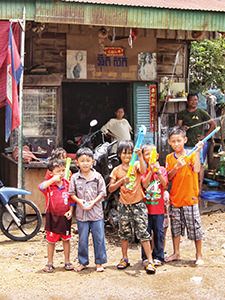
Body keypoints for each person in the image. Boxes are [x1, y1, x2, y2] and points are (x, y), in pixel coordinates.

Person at [108, 140, 156, 274]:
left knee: (143, 233)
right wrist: (121, 181)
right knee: (124, 233)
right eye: (124, 153)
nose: (127, 156)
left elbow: (144, 170)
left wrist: (140, 156)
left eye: (130, 153)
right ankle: (124, 258)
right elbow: (111, 189)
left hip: (138, 204)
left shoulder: (135, 166)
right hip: (123, 205)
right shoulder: (116, 170)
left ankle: (150, 260)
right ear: (119, 154)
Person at [165, 126, 204, 265]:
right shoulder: (169, 158)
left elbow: (197, 169)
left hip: (190, 199)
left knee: (195, 228)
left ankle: (198, 255)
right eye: (173, 141)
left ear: (185, 140)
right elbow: (168, 177)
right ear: (169, 142)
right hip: (175, 199)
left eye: (179, 141)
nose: (176, 144)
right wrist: (176, 167)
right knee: (175, 229)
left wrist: (198, 152)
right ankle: (176, 253)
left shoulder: (192, 154)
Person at [68, 147, 107, 272]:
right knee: (82, 239)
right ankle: (83, 262)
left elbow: (102, 192)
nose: (85, 163)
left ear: (93, 162)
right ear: (77, 163)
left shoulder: (97, 176)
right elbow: (72, 193)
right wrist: (80, 202)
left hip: (96, 214)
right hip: (81, 214)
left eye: (88, 160)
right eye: (82, 160)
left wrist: (92, 202)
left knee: (99, 238)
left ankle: (99, 262)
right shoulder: (74, 177)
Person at [39, 158, 74, 272]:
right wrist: (52, 180)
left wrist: (71, 211)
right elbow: (41, 187)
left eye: (63, 170)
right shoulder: (49, 186)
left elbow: (72, 200)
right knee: (51, 240)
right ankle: (49, 262)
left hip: (65, 217)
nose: (61, 173)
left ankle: (67, 261)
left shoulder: (68, 184)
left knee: (66, 239)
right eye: (58, 171)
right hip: (52, 216)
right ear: (50, 172)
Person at [177, 92, 216, 193]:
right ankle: (187, 187)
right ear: (187, 101)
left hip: (198, 145)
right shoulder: (182, 113)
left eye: (196, 100)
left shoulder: (201, 113)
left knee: (200, 166)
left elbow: (213, 124)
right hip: (185, 145)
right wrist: (183, 128)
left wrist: (205, 137)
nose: (194, 102)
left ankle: (199, 187)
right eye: (192, 100)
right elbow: (178, 127)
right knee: (185, 165)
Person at [141, 144, 168, 266]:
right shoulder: (143, 171)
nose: (150, 156)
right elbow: (145, 185)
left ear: (157, 155)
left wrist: (158, 172)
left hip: (158, 209)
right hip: (146, 209)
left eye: (152, 153)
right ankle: (146, 256)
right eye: (146, 154)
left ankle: (159, 256)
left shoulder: (162, 169)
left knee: (159, 232)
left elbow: (165, 185)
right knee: (145, 233)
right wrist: (150, 172)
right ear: (143, 157)